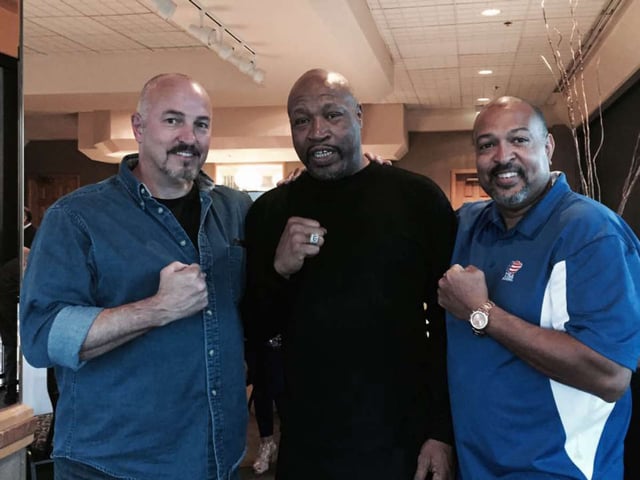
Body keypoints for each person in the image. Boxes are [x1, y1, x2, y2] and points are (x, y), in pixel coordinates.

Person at [20, 73, 252, 479]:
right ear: (138, 127)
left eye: (201, 124)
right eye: (172, 120)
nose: (189, 137)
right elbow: (42, 336)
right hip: (113, 465)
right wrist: (157, 309)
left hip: (215, 458)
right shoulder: (77, 218)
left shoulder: (232, 210)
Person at [242, 68, 456, 480]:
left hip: (403, 440)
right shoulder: (268, 213)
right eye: (301, 120)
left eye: (332, 115)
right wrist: (279, 270)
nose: (317, 131)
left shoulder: (417, 199)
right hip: (308, 443)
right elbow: (254, 327)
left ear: (359, 116)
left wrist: (441, 431)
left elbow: (450, 326)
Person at [438, 96, 640, 479]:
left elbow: (611, 376)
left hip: (559, 471)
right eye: (487, 145)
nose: (502, 157)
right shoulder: (470, 224)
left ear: (547, 147)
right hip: (476, 467)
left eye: (519, 140)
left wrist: (484, 314)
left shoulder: (590, 232)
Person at [246, 333, 284, 475]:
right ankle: (266, 443)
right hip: (256, 336)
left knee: (282, 390)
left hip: (284, 339)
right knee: (261, 390)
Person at [0, 246, 29, 406]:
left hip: (7, 312)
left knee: (9, 347)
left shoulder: (9, 268)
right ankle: (11, 390)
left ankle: (10, 387)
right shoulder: (18, 268)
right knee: (10, 347)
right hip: (6, 312)